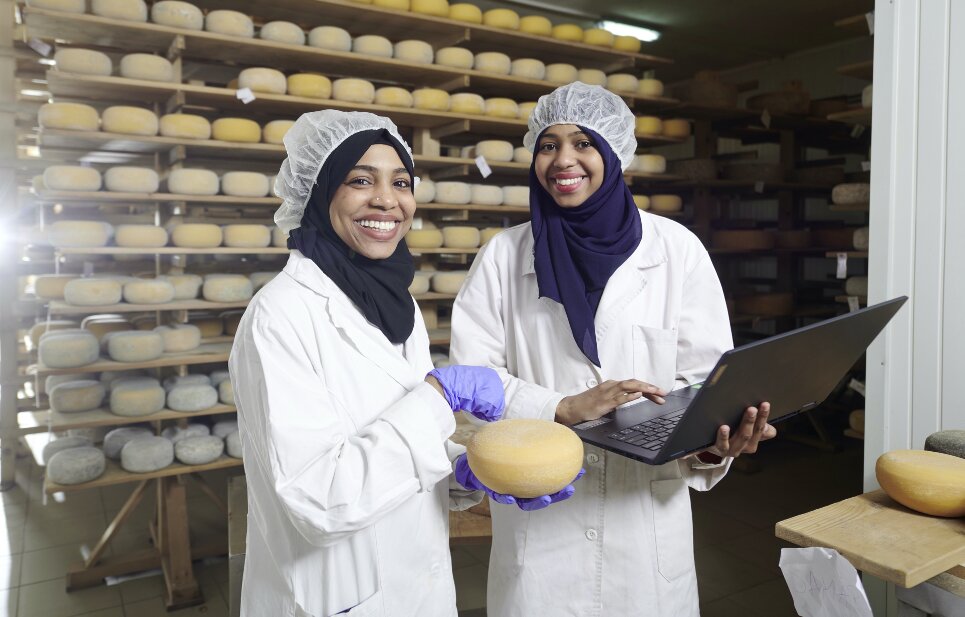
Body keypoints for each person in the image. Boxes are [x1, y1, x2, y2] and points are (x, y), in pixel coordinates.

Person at [449, 82, 777, 617]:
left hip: (644, 539)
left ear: (615, 153)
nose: (563, 160)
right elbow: (470, 383)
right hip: (542, 543)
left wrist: (716, 442)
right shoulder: (504, 257)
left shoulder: (676, 251)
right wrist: (558, 409)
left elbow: (706, 383)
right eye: (548, 145)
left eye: (583, 143)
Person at [229, 109, 515, 617]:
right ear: (320, 194)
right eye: (360, 180)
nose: (387, 199)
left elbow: (397, 450)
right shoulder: (280, 315)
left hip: (418, 588)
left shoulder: (393, 304)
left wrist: (460, 474)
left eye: (401, 182)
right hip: (334, 597)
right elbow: (320, 501)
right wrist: (436, 398)